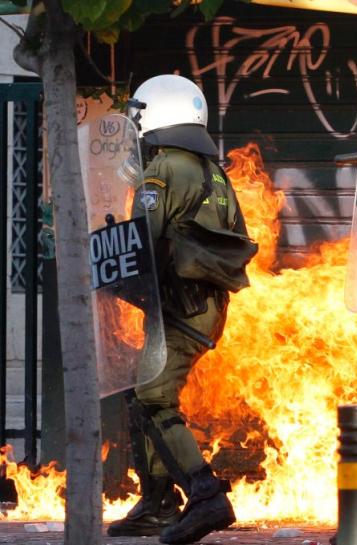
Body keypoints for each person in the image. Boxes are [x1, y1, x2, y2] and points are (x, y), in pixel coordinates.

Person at [107, 74, 255, 544]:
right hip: (200, 304)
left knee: (154, 398)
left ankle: (206, 495)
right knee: (141, 395)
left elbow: (142, 237)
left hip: (184, 307)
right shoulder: (212, 170)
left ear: (157, 114)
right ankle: (158, 504)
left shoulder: (166, 166)